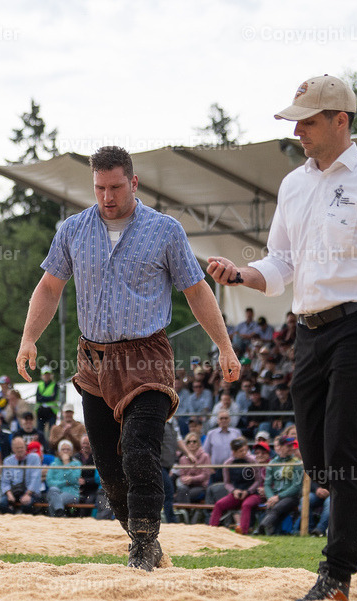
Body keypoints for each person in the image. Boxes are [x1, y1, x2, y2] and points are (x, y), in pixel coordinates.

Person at [207, 75, 357, 601]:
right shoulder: (293, 184)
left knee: (341, 453)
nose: (299, 131)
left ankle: (337, 576)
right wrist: (242, 274)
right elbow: (282, 263)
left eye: (308, 121)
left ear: (341, 120)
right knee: (319, 464)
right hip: (307, 331)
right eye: (296, 121)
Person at [16, 145, 240, 570]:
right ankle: (145, 542)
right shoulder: (72, 230)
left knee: (139, 450)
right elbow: (49, 288)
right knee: (108, 467)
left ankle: (142, 543)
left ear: (133, 182)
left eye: (116, 186)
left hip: (146, 356)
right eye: (99, 188)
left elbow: (196, 290)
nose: (107, 196)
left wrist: (225, 347)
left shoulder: (166, 230)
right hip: (93, 360)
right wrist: (29, 338)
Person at [208, 438, 264, 534]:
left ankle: (243, 532)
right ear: (234, 452)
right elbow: (227, 483)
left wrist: (248, 491)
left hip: (252, 493)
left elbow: (258, 480)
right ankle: (212, 530)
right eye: (241, 451)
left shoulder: (252, 462)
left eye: (245, 450)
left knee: (246, 505)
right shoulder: (228, 463)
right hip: (236, 493)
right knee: (219, 504)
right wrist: (234, 491)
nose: (244, 453)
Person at [259, 436, 304, 535]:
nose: (291, 448)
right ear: (280, 447)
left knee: (277, 507)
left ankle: (263, 526)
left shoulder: (297, 463)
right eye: (288, 446)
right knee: (273, 506)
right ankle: (272, 532)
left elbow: (296, 487)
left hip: (291, 497)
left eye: (292, 446)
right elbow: (267, 484)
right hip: (275, 496)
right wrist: (271, 497)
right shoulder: (273, 462)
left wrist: (278, 497)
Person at [0, 436, 41, 514]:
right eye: (17, 448)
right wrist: (9, 494)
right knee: (2, 504)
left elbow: (35, 478)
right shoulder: (7, 461)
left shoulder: (34, 458)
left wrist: (28, 494)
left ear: (25, 447)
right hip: (14, 491)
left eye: (21, 447)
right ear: (13, 449)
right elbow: (5, 480)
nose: (20, 450)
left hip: (30, 492)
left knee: (27, 505)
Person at [46, 439, 82, 516]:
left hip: (71, 493)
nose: (65, 451)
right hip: (55, 492)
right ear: (59, 452)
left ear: (72, 452)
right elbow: (50, 482)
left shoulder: (76, 463)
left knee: (54, 501)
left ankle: (58, 518)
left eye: (68, 449)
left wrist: (66, 464)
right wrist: (65, 483)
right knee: (53, 490)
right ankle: (61, 515)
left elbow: (73, 480)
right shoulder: (54, 464)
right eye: (63, 449)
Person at [34, 365, 60, 433]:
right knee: (40, 431)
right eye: (45, 374)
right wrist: (48, 398)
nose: (46, 376)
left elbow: (53, 397)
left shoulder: (55, 385)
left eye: (48, 374)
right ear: (42, 375)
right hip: (41, 411)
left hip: (51, 411)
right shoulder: (40, 385)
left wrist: (42, 397)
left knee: (52, 431)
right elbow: (37, 398)